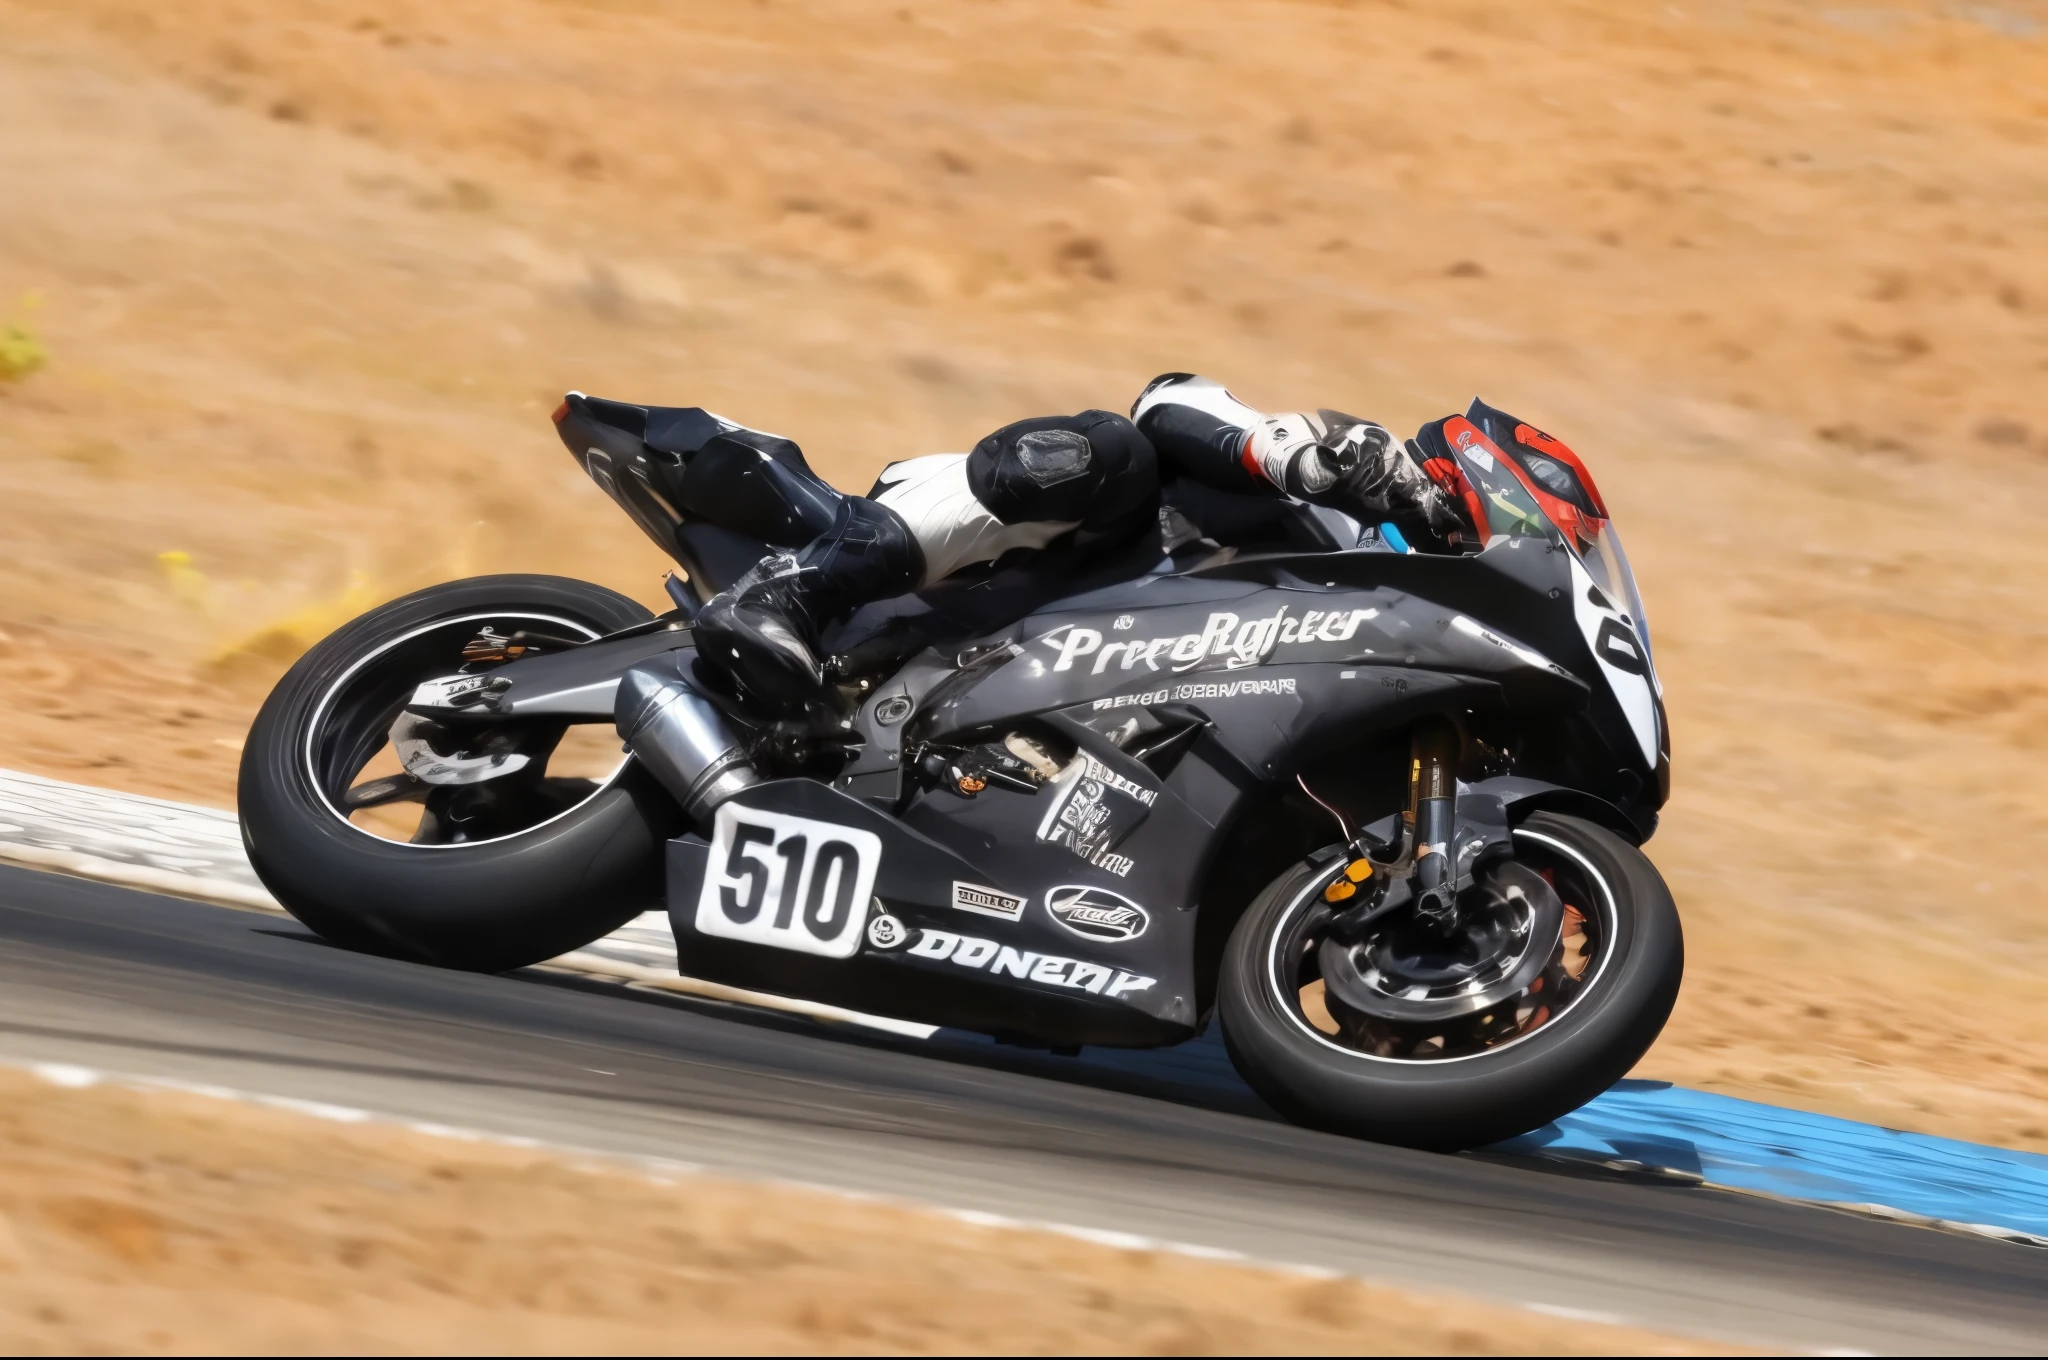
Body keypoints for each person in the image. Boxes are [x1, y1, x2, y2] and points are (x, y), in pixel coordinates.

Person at [692, 373, 1463, 711]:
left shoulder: (1385, 646)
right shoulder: (1328, 493)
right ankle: (793, 589)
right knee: (1110, 450)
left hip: (1044, 698)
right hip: (986, 574)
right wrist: (1301, 458)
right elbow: (1168, 399)